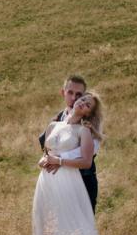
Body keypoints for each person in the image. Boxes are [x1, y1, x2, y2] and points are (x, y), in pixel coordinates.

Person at [29, 91, 113, 235]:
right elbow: (45, 154)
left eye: (88, 105)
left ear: (88, 114)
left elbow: (86, 162)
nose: (82, 104)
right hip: (46, 181)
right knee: (46, 220)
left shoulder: (83, 131)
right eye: (83, 100)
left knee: (69, 221)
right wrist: (43, 161)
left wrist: (58, 161)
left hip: (68, 180)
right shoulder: (53, 126)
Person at [39, 75, 99, 212]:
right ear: (63, 93)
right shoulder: (56, 120)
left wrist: (59, 159)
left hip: (83, 181)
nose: (74, 98)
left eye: (79, 94)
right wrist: (46, 160)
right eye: (70, 93)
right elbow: (46, 149)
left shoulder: (91, 124)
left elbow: (92, 151)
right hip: (54, 182)